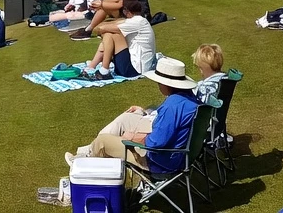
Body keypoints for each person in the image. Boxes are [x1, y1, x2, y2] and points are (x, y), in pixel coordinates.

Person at [65, 56, 201, 173]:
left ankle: (83, 169)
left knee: (102, 142)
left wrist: (133, 138)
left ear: (166, 83)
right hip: (178, 157)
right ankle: (87, 154)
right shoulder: (188, 99)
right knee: (126, 118)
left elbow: (155, 143)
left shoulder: (173, 107)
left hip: (160, 162)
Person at [81, 0, 156, 80]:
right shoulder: (139, 20)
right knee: (111, 33)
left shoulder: (136, 22)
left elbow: (101, 28)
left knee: (110, 34)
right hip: (136, 66)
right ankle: (95, 67)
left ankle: (103, 70)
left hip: (135, 70)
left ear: (125, 10)